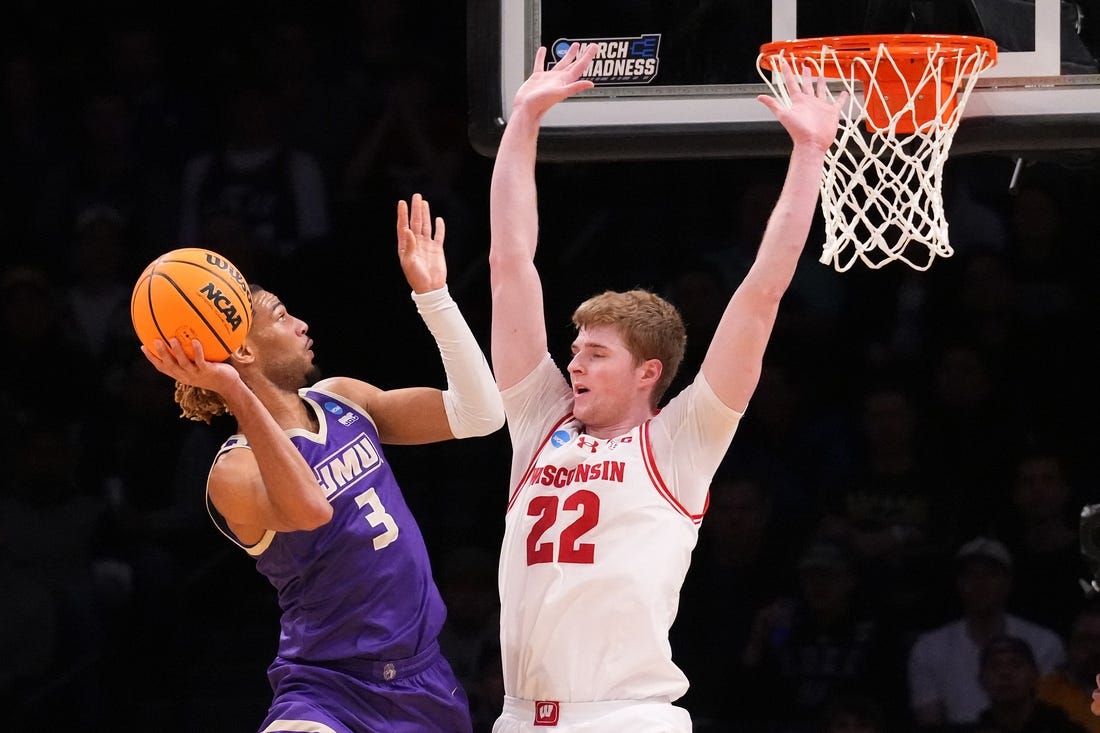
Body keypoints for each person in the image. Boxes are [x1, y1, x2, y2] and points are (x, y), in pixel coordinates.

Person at [486, 41, 846, 731]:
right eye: (574, 350)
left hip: (628, 718)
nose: (574, 365)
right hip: (519, 717)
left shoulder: (681, 439)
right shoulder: (539, 422)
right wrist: (525, 121)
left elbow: (762, 294)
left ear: (648, 372)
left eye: (595, 354)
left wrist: (808, 155)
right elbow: (509, 264)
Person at [140, 193, 505, 733]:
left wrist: (434, 296)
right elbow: (311, 508)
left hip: (425, 679)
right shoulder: (233, 470)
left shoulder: (343, 398)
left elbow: (481, 414)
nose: (302, 323)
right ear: (243, 352)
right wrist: (234, 391)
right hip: (325, 690)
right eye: (283, 315)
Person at [907, 536, 1066, 730]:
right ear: (959, 584)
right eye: (971, 575)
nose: (980, 584)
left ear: (1008, 583)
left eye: (990, 574)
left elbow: (1050, 716)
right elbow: (930, 724)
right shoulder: (929, 647)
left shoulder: (1045, 643)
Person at [974, 634, 1088, 733]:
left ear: (1034, 676)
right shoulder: (976, 729)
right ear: (981, 680)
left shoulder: (1063, 729)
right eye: (995, 666)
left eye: (1016, 665)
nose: (1005, 673)